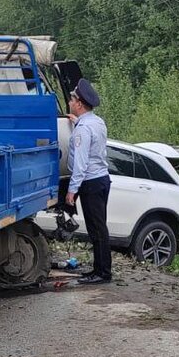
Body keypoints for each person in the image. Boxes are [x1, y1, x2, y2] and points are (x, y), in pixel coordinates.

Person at [66, 77, 111, 285]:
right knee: (99, 227)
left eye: (72, 99)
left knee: (97, 229)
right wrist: (76, 123)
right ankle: (99, 269)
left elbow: (81, 164)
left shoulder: (83, 129)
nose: (69, 102)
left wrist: (72, 190)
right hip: (102, 179)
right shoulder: (96, 122)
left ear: (79, 104)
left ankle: (102, 273)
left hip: (90, 183)